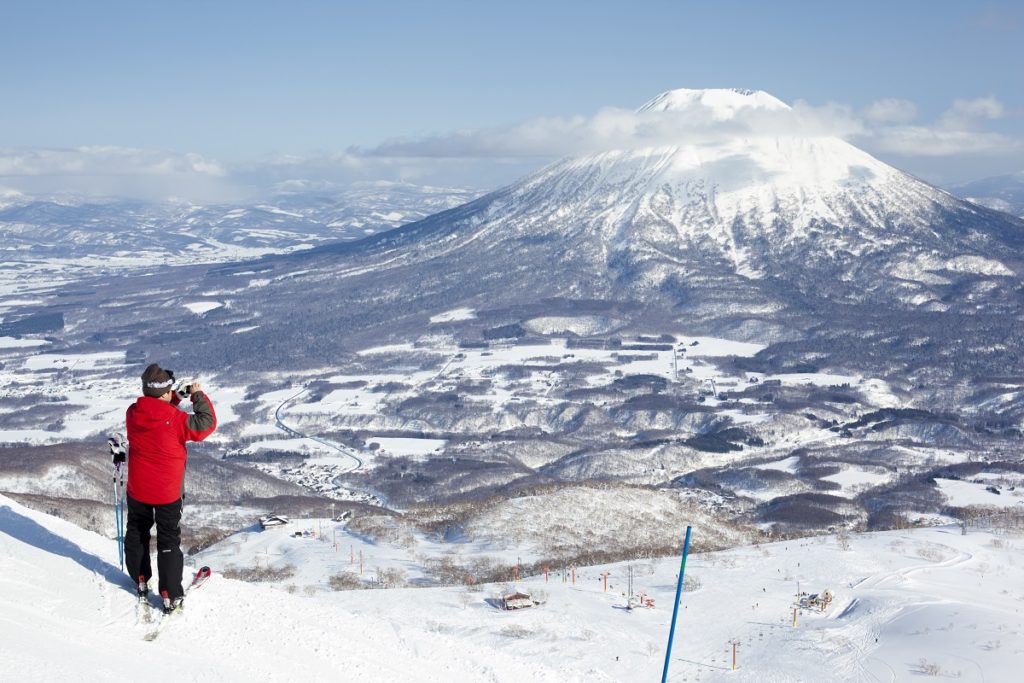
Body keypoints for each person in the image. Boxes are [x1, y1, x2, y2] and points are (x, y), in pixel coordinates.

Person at [124, 363, 216, 613]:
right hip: (167, 493)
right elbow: (206, 424)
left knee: (137, 532)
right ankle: (170, 594)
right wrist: (197, 395)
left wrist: (178, 395)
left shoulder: (133, 413)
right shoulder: (176, 420)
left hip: (138, 489)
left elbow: (156, 410)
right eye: (170, 390)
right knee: (167, 541)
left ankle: (140, 579)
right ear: (164, 392)